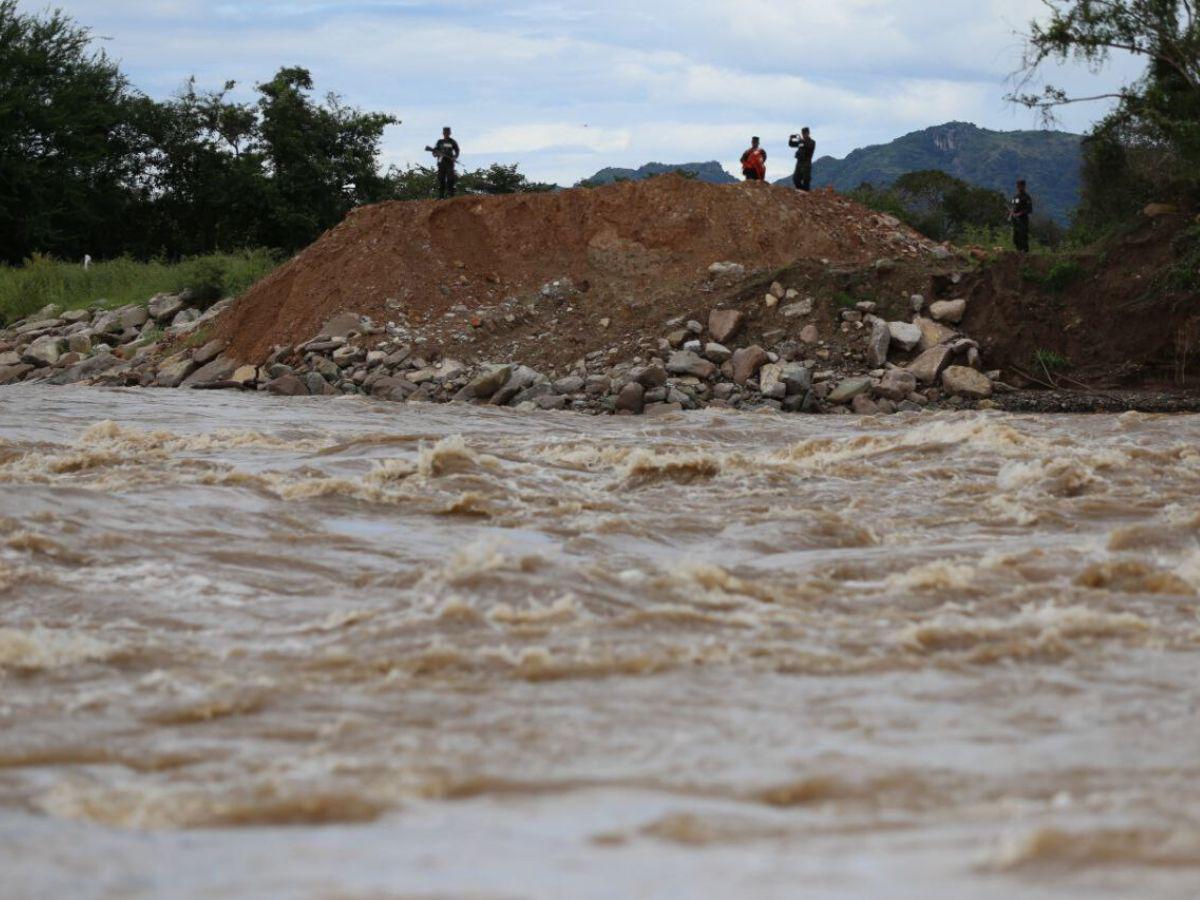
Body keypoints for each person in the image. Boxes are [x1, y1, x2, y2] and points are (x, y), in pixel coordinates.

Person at [426, 127, 461, 199]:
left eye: (447, 132)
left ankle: (450, 195)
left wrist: (455, 157)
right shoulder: (439, 142)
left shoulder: (452, 142)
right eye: (445, 132)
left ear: (450, 133)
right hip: (441, 163)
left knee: (450, 178)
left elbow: (457, 150)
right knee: (441, 178)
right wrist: (436, 154)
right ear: (443, 133)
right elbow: (434, 151)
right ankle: (441, 195)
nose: (446, 134)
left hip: (449, 163)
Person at [790, 127, 816, 191]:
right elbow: (792, 144)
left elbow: (808, 146)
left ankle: (806, 192)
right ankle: (801, 191)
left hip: (806, 163)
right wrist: (791, 139)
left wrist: (802, 141)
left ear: (808, 133)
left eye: (805, 133)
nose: (804, 135)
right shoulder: (801, 142)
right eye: (803, 133)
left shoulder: (812, 142)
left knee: (806, 180)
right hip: (799, 162)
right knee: (796, 178)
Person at [1010, 179, 1033, 253]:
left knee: (1023, 236)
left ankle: (1025, 252)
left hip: (1023, 220)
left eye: (1020, 186)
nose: (1018, 187)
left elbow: (1029, 209)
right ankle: (1018, 251)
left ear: (1024, 186)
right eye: (1017, 186)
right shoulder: (1015, 197)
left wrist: (1020, 213)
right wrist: (1011, 212)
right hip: (1015, 220)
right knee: (1015, 237)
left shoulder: (1026, 197)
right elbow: (1013, 206)